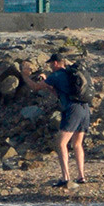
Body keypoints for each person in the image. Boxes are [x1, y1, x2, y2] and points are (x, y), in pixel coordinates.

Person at [28, 51, 91, 186]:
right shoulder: (71, 74)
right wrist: (48, 84)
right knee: (77, 144)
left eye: (51, 64)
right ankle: (81, 176)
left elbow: (34, 87)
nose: (50, 66)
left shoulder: (56, 75)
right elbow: (58, 93)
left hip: (72, 110)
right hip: (85, 108)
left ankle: (65, 178)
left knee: (61, 143)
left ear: (56, 63)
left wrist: (24, 75)